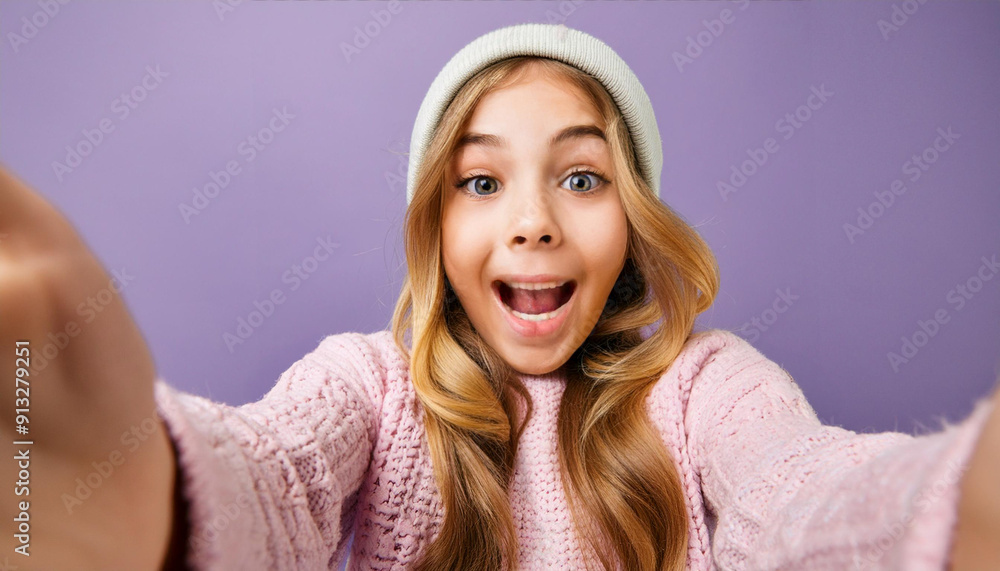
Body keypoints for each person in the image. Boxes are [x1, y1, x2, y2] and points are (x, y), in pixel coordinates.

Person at [1, 22, 998, 571]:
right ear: (436, 226)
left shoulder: (705, 388)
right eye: (481, 182)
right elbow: (273, 472)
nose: (532, 222)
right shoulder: (370, 386)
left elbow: (799, 490)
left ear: (633, 220)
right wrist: (139, 488)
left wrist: (954, 504)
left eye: (580, 176)